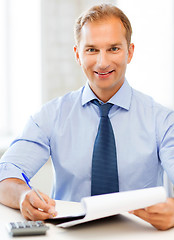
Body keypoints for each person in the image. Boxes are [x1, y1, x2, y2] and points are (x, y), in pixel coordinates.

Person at [0, 3, 174, 230]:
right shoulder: (50, 116)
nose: (102, 63)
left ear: (130, 52)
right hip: (68, 235)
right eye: (92, 49)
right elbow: (6, 174)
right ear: (77, 54)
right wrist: (23, 197)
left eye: (113, 49)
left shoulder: (162, 120)